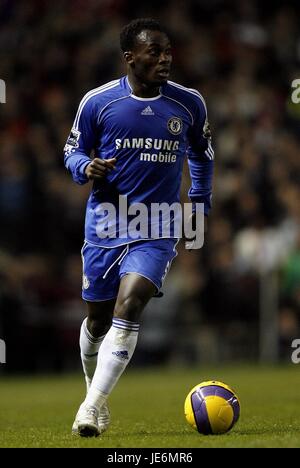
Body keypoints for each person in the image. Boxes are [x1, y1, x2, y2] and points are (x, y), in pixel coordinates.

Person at [64, 18, 214, 437]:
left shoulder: (188, 103)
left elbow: (202, 155)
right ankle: (90, 389)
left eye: (168, 52)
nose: (165, 59)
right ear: (130, 58)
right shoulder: (98, 102)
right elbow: (72, 150)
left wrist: (199, 201)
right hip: (106, 223)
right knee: (96, 320)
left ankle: (91, 409)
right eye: (155, 52)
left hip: (158, 224)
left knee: (129, 306)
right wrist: (85, 166)